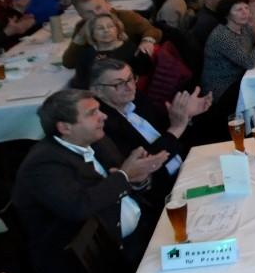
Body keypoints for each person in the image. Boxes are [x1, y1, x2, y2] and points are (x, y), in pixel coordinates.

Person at [12, 89, 169, 273]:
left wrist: (139, 178)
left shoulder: (96, 139)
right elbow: (79, 206)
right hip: (97, 261)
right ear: (65, 127)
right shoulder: (44, 165)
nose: (103, 116)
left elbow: (117, 182)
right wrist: (124, 175)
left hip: (139, 232)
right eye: (92, 113)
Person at [88, 57, 210, 199]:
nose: (130, 87)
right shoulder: (103, 125)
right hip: (167, 191)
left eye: (130, 78)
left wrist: (186, 115)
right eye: (118, 84)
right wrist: (177, 127)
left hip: (189, 166)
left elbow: (167, 133)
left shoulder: (138, 98)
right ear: (97, 90)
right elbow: (148, 162)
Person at [201, 0, 255, 103]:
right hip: (223, 89)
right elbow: (249, 63)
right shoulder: (222, 36)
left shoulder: (244, 27)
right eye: (239, 10)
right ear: (227, 14)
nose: (245, 12)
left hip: (243, 77)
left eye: (246, 8)